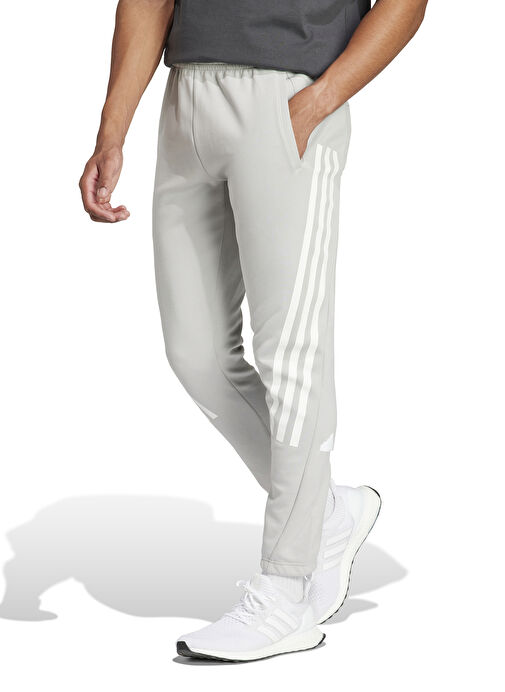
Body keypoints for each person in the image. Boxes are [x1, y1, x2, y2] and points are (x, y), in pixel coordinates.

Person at [80, 0, 428, 662]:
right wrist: (112, 130)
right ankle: (326, 512)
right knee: (196, 352)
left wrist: (319, 100)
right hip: (187, 98)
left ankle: (286, 594)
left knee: (290, 351)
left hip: (288, 96)